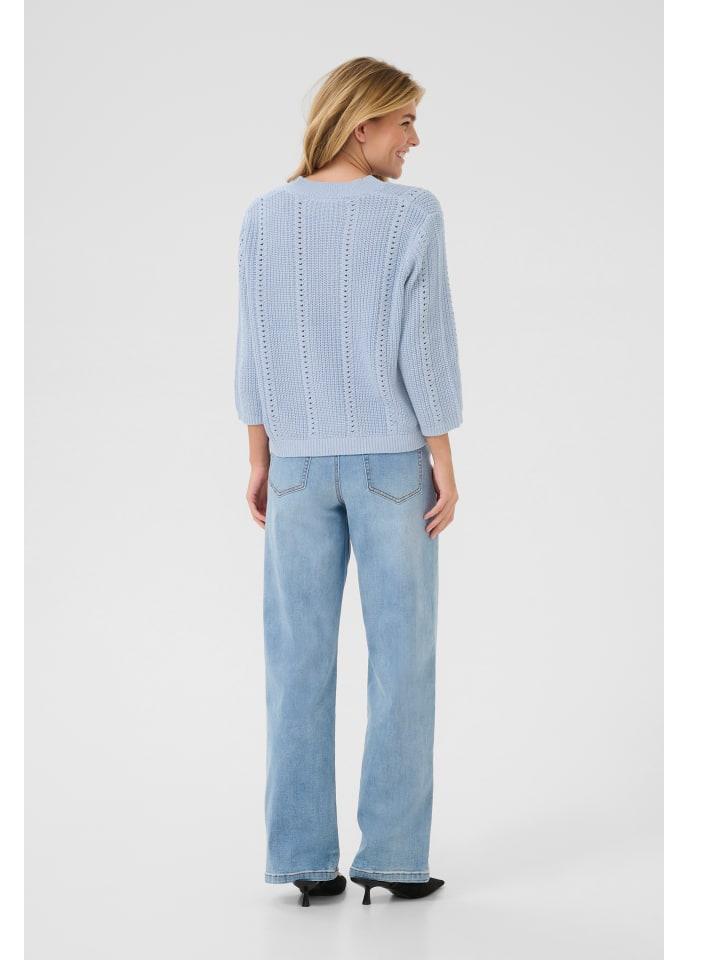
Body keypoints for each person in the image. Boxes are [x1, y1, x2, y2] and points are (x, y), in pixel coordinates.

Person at [234, 56, 462, 907]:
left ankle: (304, 859)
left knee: (296, 662)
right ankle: (393, 859)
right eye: (404, 122)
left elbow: (252, 349)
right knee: (402, 659)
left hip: (295, 465)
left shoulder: (265, 216)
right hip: (392, 464)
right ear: (361, 125)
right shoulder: (410, 214)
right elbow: (424, 350)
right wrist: (444, 461)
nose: (414, 140)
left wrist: (259, 456)